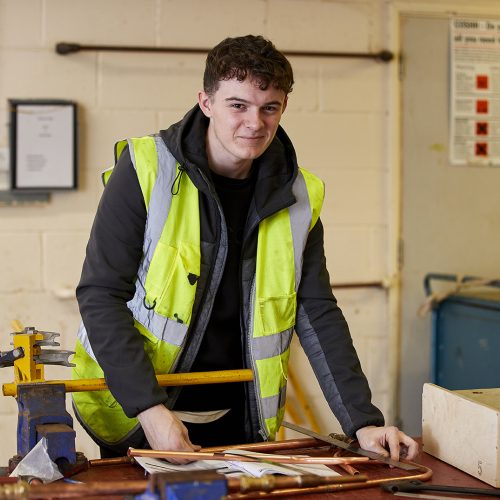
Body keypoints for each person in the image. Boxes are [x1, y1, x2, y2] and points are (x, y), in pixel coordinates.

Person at [72, 34, 418, 463]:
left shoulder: (297, 194)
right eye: (238, 105)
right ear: (206, 102)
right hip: (143, 415)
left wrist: (363, 420)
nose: (255, 123)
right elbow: (100, 294)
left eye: (269, 107)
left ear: (283, 109)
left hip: (244, 417)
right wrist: (150, 409)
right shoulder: (145, 168)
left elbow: (316, 311)